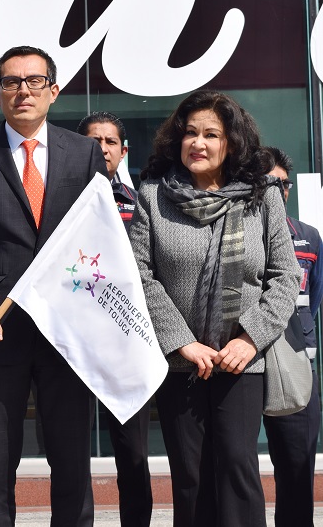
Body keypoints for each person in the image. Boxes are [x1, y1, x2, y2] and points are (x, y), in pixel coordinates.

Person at [0, 45, 107, 526]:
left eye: (34, 81)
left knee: (72, 463)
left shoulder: (85, 153)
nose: (23, 90)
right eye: (11, 82)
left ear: (53, 91)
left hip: (67, 334)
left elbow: (102, 241)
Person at [129, 90, 301, 527]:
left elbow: (284, 277)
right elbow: (140, 277)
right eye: (190, 133)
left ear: (232, 143)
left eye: (211, 134)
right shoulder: (152, 197)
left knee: (238, 466)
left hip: (242, 362)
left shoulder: (262, 198)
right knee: (190, 476)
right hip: (180, 364)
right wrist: (183, 343)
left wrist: (250, 340)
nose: (198, 143)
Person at [77, 112, 151, 527]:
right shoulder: (61, 198)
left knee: (133, 452)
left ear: (124, 151)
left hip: (126, 341)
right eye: (94, 140)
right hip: (73, 340)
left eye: (110, 141)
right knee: (71, 453)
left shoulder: (139, 203)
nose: (102, 147)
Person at [262, 146, 322, 527]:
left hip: (294, 365)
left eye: (283, 184)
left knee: (297, 469)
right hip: (241, 363)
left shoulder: (309, 238)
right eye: (268, 183)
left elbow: (312, 299)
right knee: (230, 464)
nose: (278, 190)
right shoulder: (237, 233)